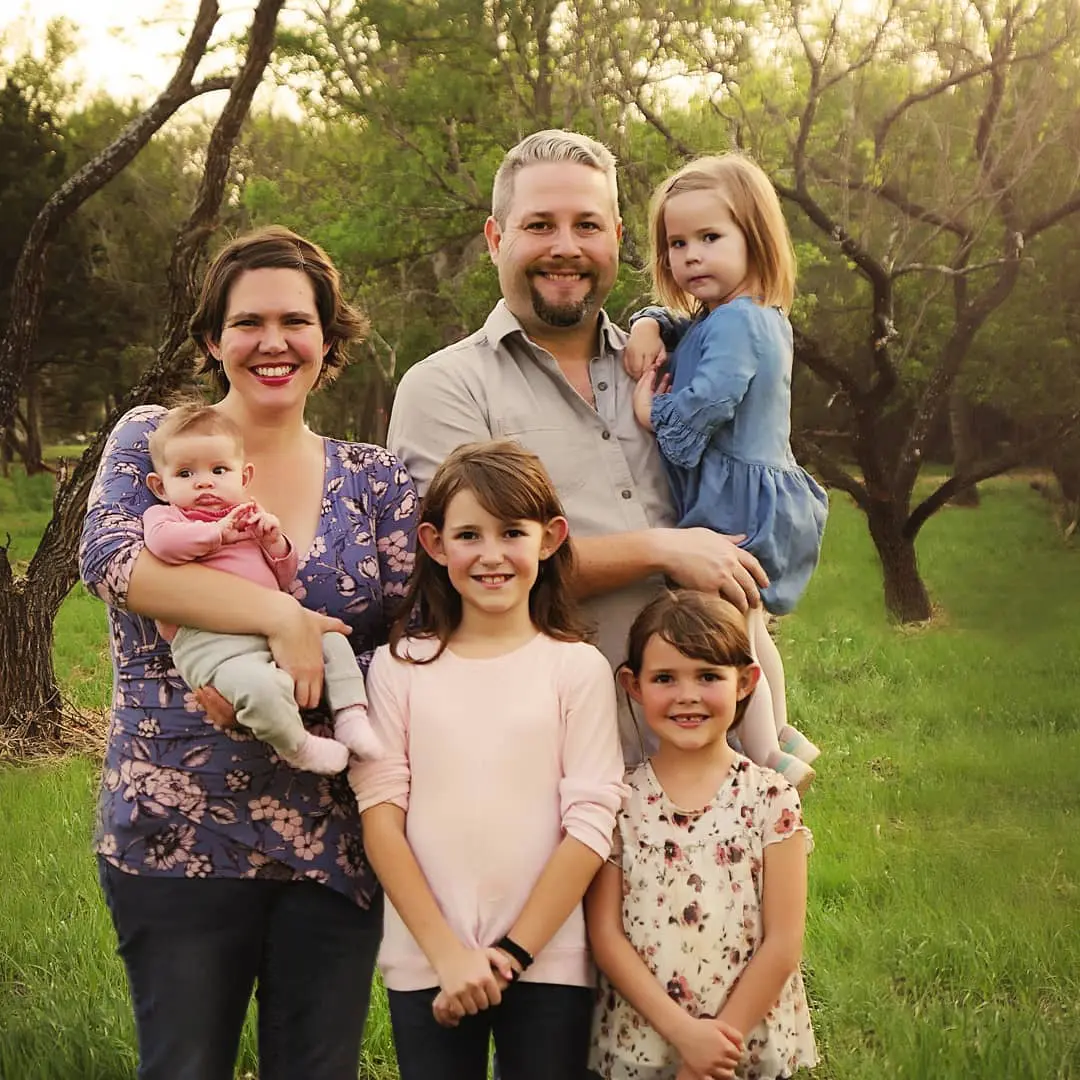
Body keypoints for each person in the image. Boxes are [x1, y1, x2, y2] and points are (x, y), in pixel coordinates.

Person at [79, 225, 418, 1080]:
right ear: (212, 342)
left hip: (335, 843)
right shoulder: (155, 443)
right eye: (248, 322)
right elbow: (115, 562)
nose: (274, 342)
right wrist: (282, 616)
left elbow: (422, 629)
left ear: (328, 341)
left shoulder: (375, 478)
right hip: (176, 832)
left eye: (297, 321)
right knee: (184, 1066)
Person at [386, 130, 770, 763]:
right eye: (540, 225)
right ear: (495, 239)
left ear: (616, 238)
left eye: (587, 226)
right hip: (552, 765)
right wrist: (661, 548)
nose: (566, 248)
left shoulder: (673, 369)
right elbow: (461, 576)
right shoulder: (446, 387)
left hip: (718, 759)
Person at [350, 440, 627, 1079]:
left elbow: (589, 826)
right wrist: (448, 955)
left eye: (512, 532)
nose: (492, 555)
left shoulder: (575, 669)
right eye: (469, 534)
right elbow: (381, 820)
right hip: (429, 960)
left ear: (551, 538)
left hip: (550, 957)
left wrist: (511, 954)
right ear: (435, 543)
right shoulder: (401, 669)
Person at [626, 154, 828, 793]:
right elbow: (683, 329)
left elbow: (712, 398)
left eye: (710, 239)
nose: (690, 256)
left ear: (754, 238)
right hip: (759, 493)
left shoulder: (739, 321)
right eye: (678, 243)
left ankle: (766, 756)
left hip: (736, 502)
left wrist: (652, 411)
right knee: (748, 622)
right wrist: (649, 319)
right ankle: (782, 732)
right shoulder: (741, 314)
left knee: (730, 627)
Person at [586, 589, 817, 1080]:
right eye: (665, 678)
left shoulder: (772, 798)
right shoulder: (618, 801)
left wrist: (715, 1047)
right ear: (633, 684)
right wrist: (686, 1036)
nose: (687, 695)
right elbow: (605, 934)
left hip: (743, 1047)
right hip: (645, 1040)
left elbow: (784, 941)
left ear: (745, 680)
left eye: (708, 676)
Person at [142, 402, 383, 774]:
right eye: (186, 472)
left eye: (219, 470)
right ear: (160, 485)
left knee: (334, 643)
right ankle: (297, 745)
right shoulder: (167, 517)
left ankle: (351, 715)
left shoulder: (247, 515)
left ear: (244, 475)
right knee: (257, 687)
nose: (204, 482)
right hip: (211, 643)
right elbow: (163, 546)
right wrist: (216, 534)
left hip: (272, 632)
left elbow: (283, 578)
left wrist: (275, 543)